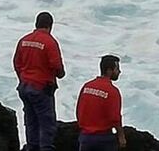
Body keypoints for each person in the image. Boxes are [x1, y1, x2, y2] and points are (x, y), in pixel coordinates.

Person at [14, 11, 66, 151]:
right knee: (46, 123)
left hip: (24, 86)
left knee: (31, 121)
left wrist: (23, 78)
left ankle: (32, 147)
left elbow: (16, 63)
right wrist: (60, 74)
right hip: (41, 88)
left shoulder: (24, 40)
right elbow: (56, 66)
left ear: (36, 24)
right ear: (50, 26)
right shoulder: (49, 42)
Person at [76, 54, 126, 151]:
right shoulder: (112, 91)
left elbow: (79, 111)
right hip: (103, 139)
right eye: (117, 69)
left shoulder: (87, 86)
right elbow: (115, 118)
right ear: (109, 70)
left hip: (85, 137)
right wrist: (121, 136)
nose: (119, 72)